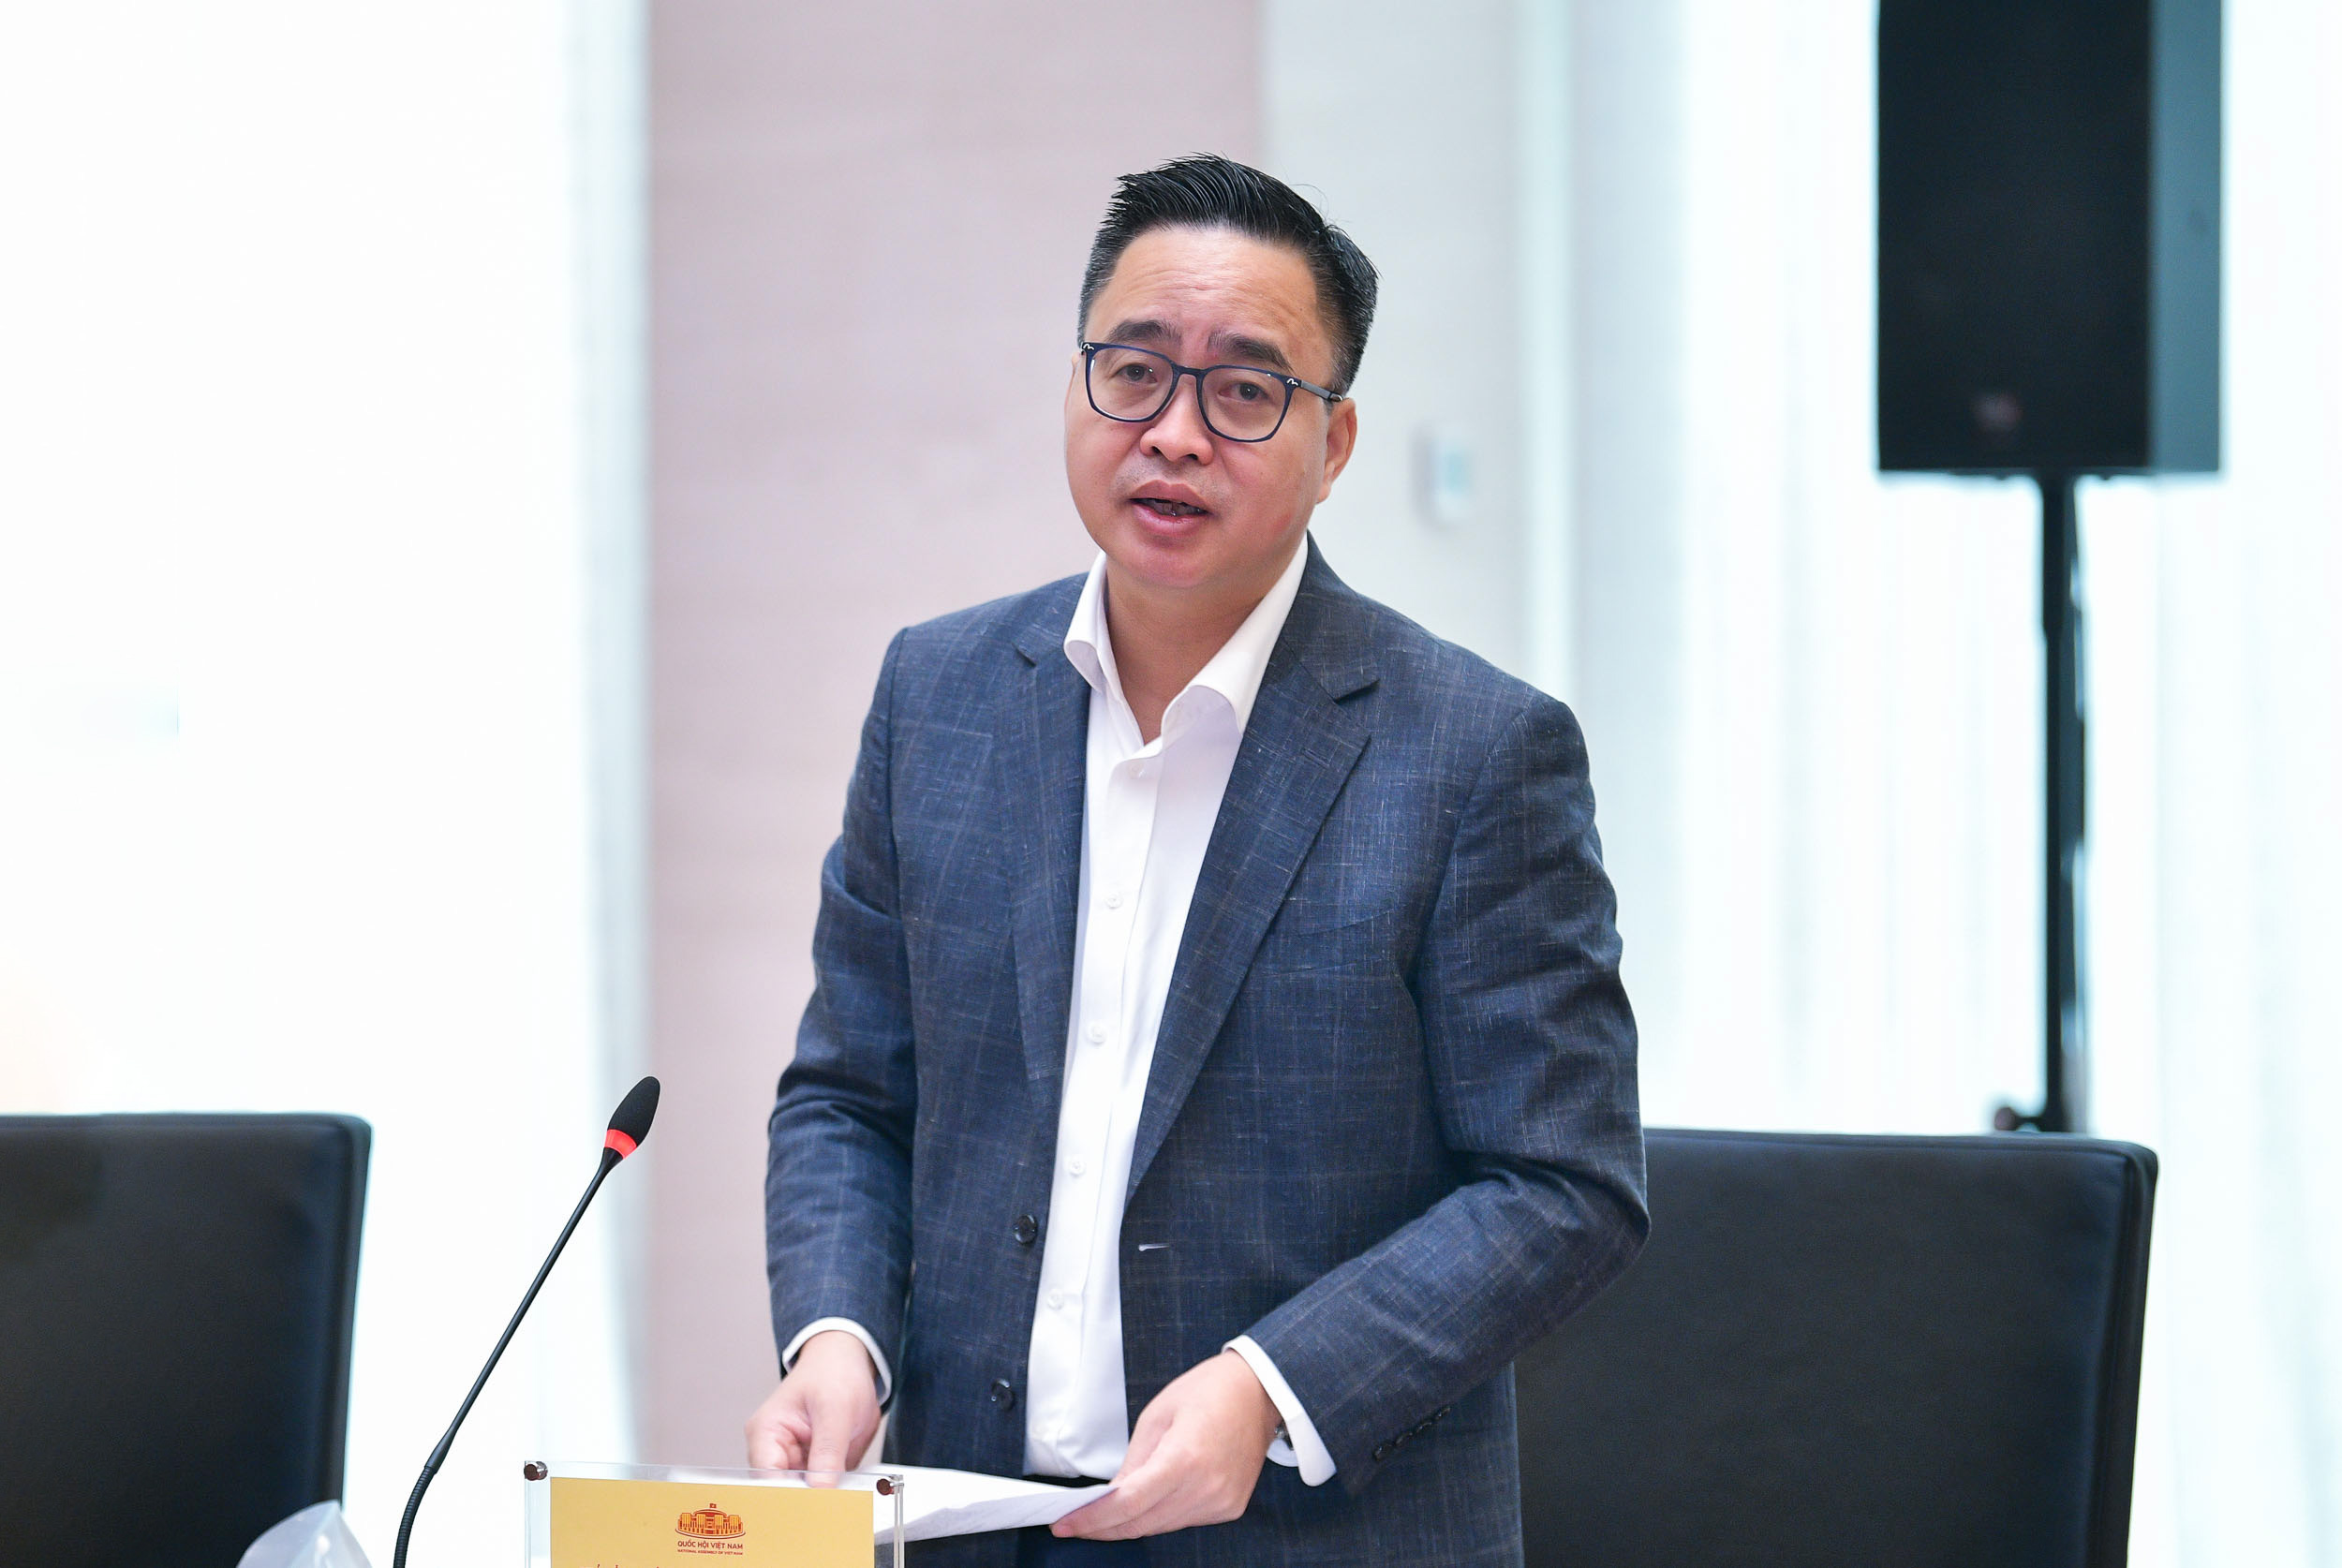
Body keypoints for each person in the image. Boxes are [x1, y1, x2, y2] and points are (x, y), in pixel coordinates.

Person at [748, 155, 1646, 1567]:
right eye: (1133, 372)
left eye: (1242, 391)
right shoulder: (939, 697)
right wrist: (838, 1333)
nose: (1172, 434)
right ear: (1076, 387)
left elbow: (1561, 1184)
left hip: (1315, 1535)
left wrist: (1273, 1386)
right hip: (972, 1523)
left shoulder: (1476, 753)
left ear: (1334, 444)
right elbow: (851, 1094)